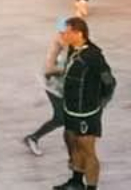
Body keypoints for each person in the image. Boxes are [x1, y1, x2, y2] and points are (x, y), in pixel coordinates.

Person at [56, 17, 115, 190]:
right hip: (71, 109)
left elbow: (109, 81)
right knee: (73, 143)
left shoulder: (94, 56)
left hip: (86, 114)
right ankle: (76, 181)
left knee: (88, 150)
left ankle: (91, 187)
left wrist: (100, 102)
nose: (63, 35)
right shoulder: (72, 50)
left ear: (79, 34)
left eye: (67, 33)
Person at [24, 20, 71, 156]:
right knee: (61, 118)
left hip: (64, 86)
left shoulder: (70, 45)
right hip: (54, 88)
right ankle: (33, 138)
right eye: (64, 32)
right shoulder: (57, 47)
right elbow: (49, 70)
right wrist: (67, 69)